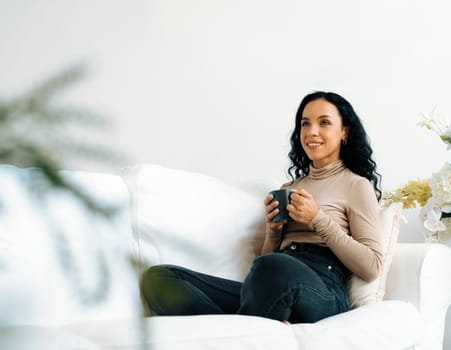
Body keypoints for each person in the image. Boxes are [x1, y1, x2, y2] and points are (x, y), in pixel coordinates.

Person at [141, 91, 383, 323]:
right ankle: (256, 325)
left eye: (324, 123)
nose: (312, 131)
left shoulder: (355, 185)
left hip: (322, 290)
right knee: (160, 278)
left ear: (345, 132)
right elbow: (266, 263)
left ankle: (250, 325)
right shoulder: (290, 186)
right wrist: (274, 231)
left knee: (274, 268)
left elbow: (371, 266)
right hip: (271, 283)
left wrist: (318, 218)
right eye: (305, 123)